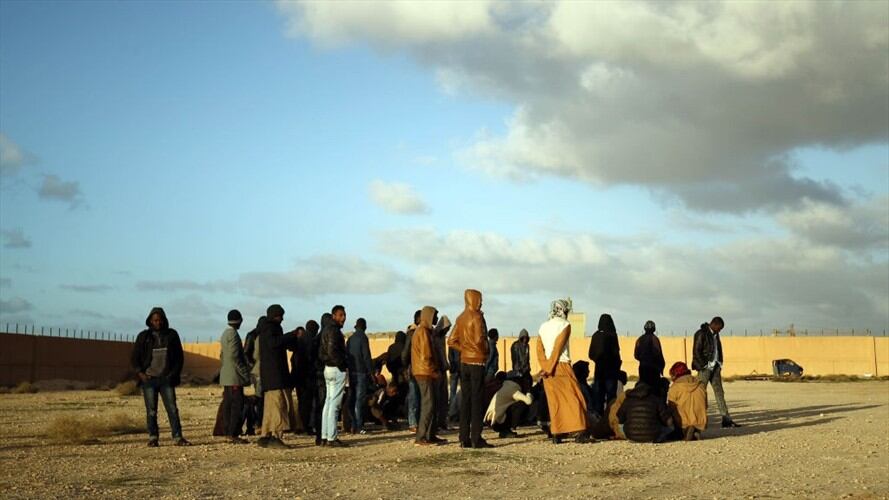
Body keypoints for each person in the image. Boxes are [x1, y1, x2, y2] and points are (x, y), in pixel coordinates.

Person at [131, 307, 190, 447]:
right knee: (151, 411)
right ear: (150, 321)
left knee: (172, 409)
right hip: (149, 380)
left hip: (166, 379)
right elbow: (135, 358)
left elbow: (179, 358)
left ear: (164, 320)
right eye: (155, 320)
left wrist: (173, 374)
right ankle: (153, 438)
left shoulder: (172, 335)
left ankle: (177, 437)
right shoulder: (143, 337)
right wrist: (141, 374)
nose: (158, 323)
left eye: (160, 320)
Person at [536, 298, 590, 444]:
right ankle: (580, 431)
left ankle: (557, 432)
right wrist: (550, 366)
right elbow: (558, 348)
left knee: (555, 402)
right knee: (575, 398)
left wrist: (545, 367)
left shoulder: (542, 326)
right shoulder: (565, 325)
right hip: (561, 365)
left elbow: (539, 350)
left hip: (547, 368)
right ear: (563, 310)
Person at [447, 289, 492, 449]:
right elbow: (480, 338)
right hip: (477, 363)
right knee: (477, 400)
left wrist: (465, 350)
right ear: (473, 299)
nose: (481, 302)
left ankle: (463, 437)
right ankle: (476, 438)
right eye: (479, 299)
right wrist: (484, 350)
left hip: (464, 362)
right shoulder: (477, 316)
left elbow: (451, 341)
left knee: (465, 400)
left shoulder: (460, 318)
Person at [257, 304, 299, 449]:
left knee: (270, 408)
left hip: (272, 376)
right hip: (275, 376)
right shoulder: (270, 328)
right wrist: (291, 335)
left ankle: (265, 436)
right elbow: (274, 343)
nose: (281, 319)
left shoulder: (267, 328)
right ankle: (275, 435)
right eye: (279, 316)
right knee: (278, 407)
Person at [693, 317, 741, 428]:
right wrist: (704, 366)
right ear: (714, 324)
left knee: (720, 393)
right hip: (704, 369)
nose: (719, 331)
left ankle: (726, 419)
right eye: (719, 328)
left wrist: (719, 363)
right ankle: (696, 419)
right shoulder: (701, 334)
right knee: (700, 394)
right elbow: (696, 351)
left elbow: (717, 350)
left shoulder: (716, 334)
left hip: (715, 368)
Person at [411, 306, 447, 446]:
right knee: (428, 405)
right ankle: (421, 437)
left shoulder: (425, 331)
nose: (436, 319)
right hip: (425, 372)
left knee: (432, 405)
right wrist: (435, 371)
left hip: (426, 372)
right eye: (435, 316)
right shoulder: (423, 332)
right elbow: (426, 356)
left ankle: (430, 435)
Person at [219, 309, 251, 444]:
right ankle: (233, 433)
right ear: (239, 320)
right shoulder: (233, 335)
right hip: (234, 378)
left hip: (227, 376)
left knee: (228, 405)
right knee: (236, 406)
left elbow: (223, 356)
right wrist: (244, 373)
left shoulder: (225, 334)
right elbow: (234, 357)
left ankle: (228, 432)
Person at [319, 305, 349, 447]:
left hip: (328, 369)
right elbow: (332, 351)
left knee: (328, 402)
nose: (343, 318)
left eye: (344, 315)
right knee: (334, 405)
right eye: (340, 315)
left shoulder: (325, 330)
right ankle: (331, 437)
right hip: (336, 370)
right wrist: (342, 365)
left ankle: (325, 435)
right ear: (334, 316)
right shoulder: (334, 331)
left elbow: (323, 352)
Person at [589, 313, 622, 417]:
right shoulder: (612, 335)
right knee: (611, 397)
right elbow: (616, 352)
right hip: (611, 372)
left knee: (599, 396)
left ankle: (599, 418)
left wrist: (598, 360)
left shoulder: (595, 335)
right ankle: (610, 418)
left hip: (599, 371)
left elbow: (591, 354)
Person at [667, 361, 708, 441]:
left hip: (682, 422)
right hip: (700, 421)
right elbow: (705, 405)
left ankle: (684, 432)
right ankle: (696, 430)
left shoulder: (675, 387)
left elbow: (670, 408)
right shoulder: (700, 384)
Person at [347, 318, 373, 434]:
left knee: (352, 399)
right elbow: (366, 356)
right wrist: (371, 372)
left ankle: (353, 425)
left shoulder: (350, 339)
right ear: (364, 326)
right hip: (361, 372)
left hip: (351, 372)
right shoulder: (363, 338)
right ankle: (358, 426)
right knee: (359, 400)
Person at [294, 321, 318, 434]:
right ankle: (306, 426)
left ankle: (301, 426)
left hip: (298, 376)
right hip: (307, 376)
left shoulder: (300, 340)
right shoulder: (310, 341)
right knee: (307, 403)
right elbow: (310, 359)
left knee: (301, 402)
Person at [401, 310, 422, 432]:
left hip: (416, 368)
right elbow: (405, 353)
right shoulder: (412, 333)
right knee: (414, 396)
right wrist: (406, 366)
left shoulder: (418, 332)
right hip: (413, 368)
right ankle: (413, 423)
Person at [243, 316, 266, 425]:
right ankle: (256, 421)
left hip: (258, 369)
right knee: (259, 397)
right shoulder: (253, 335)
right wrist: (254, 365)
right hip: (256, 370)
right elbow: (246, 353)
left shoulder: (259, 334)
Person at [433, 315, 452, 430]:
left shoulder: (442, 338)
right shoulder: (434, 337)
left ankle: (442, 422)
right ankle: (435, 423)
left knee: (444, 397)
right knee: (437, 398)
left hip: (443, 370)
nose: (447, 330)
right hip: (436, 371)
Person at [635, 320, 666, 389]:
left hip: (642, 367)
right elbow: (658, 353)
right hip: (653, 368)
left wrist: (643, 359)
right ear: (654, 329)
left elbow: (636, 355)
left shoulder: (639, 339)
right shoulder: (654, 339)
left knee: (643, 388)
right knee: (654, 389)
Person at [447, 337, 462, 423]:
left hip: (455, 369)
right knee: (455, 391)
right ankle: (454, 411)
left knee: (453, 391)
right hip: (458, 368)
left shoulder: (452, 343)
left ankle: (453, 411)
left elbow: (450, 357)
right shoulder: (461, 342)